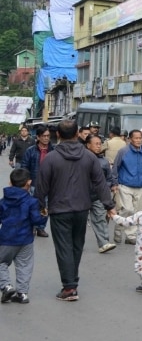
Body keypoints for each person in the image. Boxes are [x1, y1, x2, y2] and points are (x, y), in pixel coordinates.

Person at [35, 120, 116, 301]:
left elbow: (41, 186)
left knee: (64, 247)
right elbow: (100, 183)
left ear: (58, 135)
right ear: (77, 133)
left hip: (59, 210)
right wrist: (109, 206)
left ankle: (69, 287)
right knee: (76, 246)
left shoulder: (51, 158)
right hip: (81, 208)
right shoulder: (89, 157)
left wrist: (40, 206)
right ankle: (72, 281)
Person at [0, 169, 49, 304]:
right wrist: (44, 216)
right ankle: (22, 293)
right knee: (24, 265)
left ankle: (6, 286)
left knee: (1, 262)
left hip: (6, 239)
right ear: (29, 182)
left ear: (10, 183)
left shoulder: (3, 201)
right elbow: (36, 221)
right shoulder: (31, 202)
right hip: (26, 239)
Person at [113, 130, 142, 244]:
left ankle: (131, 236)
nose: (138, 140)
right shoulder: (123, 151)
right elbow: (115, 167)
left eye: (140, 138)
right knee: (127, 210)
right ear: (130, 139)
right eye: (135, 138)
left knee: (137, 212)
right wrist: (115, 183)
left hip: (140, 186)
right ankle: (118, 231)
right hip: (125, 185)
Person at [85, 134, 118, 253]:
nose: (99, 146)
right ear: (88, 145)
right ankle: (76, 243)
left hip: (98, 196)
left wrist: (109, 186)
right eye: (96, 144)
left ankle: (104, 243)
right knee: (80, 222)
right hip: (81, 196)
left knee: (100, 219)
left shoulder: (104, 161)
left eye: (100, 144)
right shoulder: (81, 159)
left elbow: (109, 177)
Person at [20, 125, 54, 238]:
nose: (46, 138)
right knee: (33, 206)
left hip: (49, 184)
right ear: (38, 137)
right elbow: (24, 166)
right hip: (34, 183)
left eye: (48, 136)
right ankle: (31, 227)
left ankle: (41, 228)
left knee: (45, 207)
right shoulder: (31, 150)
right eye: (44, 136)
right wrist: (26, 181)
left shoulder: (53, 151)